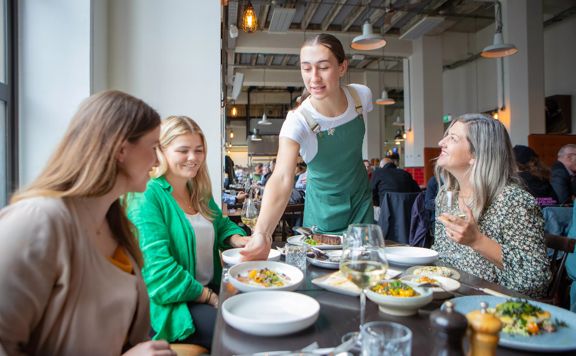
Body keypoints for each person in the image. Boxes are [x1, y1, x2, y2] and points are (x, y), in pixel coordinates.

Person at [0, 90, 175, 355]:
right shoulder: (36, 222)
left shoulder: (115, 223)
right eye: (153, 147)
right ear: (121, 149)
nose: (157, 160)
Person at [241, 33, 374, 260]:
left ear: (342, 67)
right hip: (324, 209)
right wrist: (262, 232)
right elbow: (282, 177)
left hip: (361, 201)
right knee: (322, 275)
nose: (314, 78)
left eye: (323, 67)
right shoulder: (298, 120)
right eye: (306, 68)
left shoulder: (361, 96)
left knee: (364, 271)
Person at [126, 116, 247, 350]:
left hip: (207, 290)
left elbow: (219, 223)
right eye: (183, 150)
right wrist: (210, 298)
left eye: (198, 150)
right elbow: (158, 271)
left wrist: (238, 238)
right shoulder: (147, 194)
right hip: (171, 305)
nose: (193, 158)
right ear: (160, 151)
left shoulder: (197, 189)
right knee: (241, 333)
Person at [433, 114, 551, 298]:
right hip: (447, 295)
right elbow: (444, 255)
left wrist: (477, 241)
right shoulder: (446, 195)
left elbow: (536, 279)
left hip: (491, 307)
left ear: (476, 154)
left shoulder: (513, 201)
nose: (441, 142)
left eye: (453, 138)